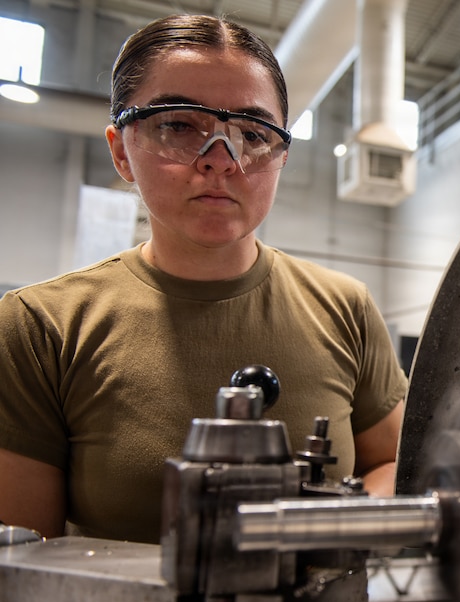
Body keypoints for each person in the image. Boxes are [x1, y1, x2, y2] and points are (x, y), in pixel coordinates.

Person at [0, 14, 408, 544]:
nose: (221, 161)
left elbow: (395, 461)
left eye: (253, 133)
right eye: (178, 125)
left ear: (282, 156)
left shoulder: (344, 307)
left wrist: (326, 533)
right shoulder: (41, 328)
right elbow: (25, 564)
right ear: (122, 149)